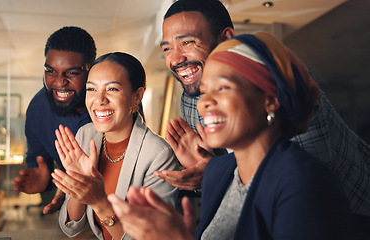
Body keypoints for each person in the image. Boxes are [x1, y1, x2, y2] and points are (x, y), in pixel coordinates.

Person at [109, 32, 351, 240]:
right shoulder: (217, 171)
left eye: (223, 87)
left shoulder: (303, 180)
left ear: (270, 99)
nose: (205, 103)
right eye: (204, 91)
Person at [155, 0, 370, 216]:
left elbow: (297, 181)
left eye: (188, 42)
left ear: (226, 38)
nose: (175, 59)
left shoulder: (278, 85)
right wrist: (204, 173)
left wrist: (214, 172)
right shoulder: (193, 99)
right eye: (167, 48)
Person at [51, 52, 179, 240]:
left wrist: (100, 203)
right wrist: (80, 187)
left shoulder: (158, 155)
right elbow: (71, 228)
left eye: (112, 89)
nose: (99, 100)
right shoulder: (86, 135)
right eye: (91, 89)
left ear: (137, 96)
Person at [11, 26, 96, 213]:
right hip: (76, 214)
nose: (59, 83)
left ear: (91, 71)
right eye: (50, 71)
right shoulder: (37, 109)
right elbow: (39, 161)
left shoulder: (113, 102)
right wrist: (46, 181)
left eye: (71, 73)